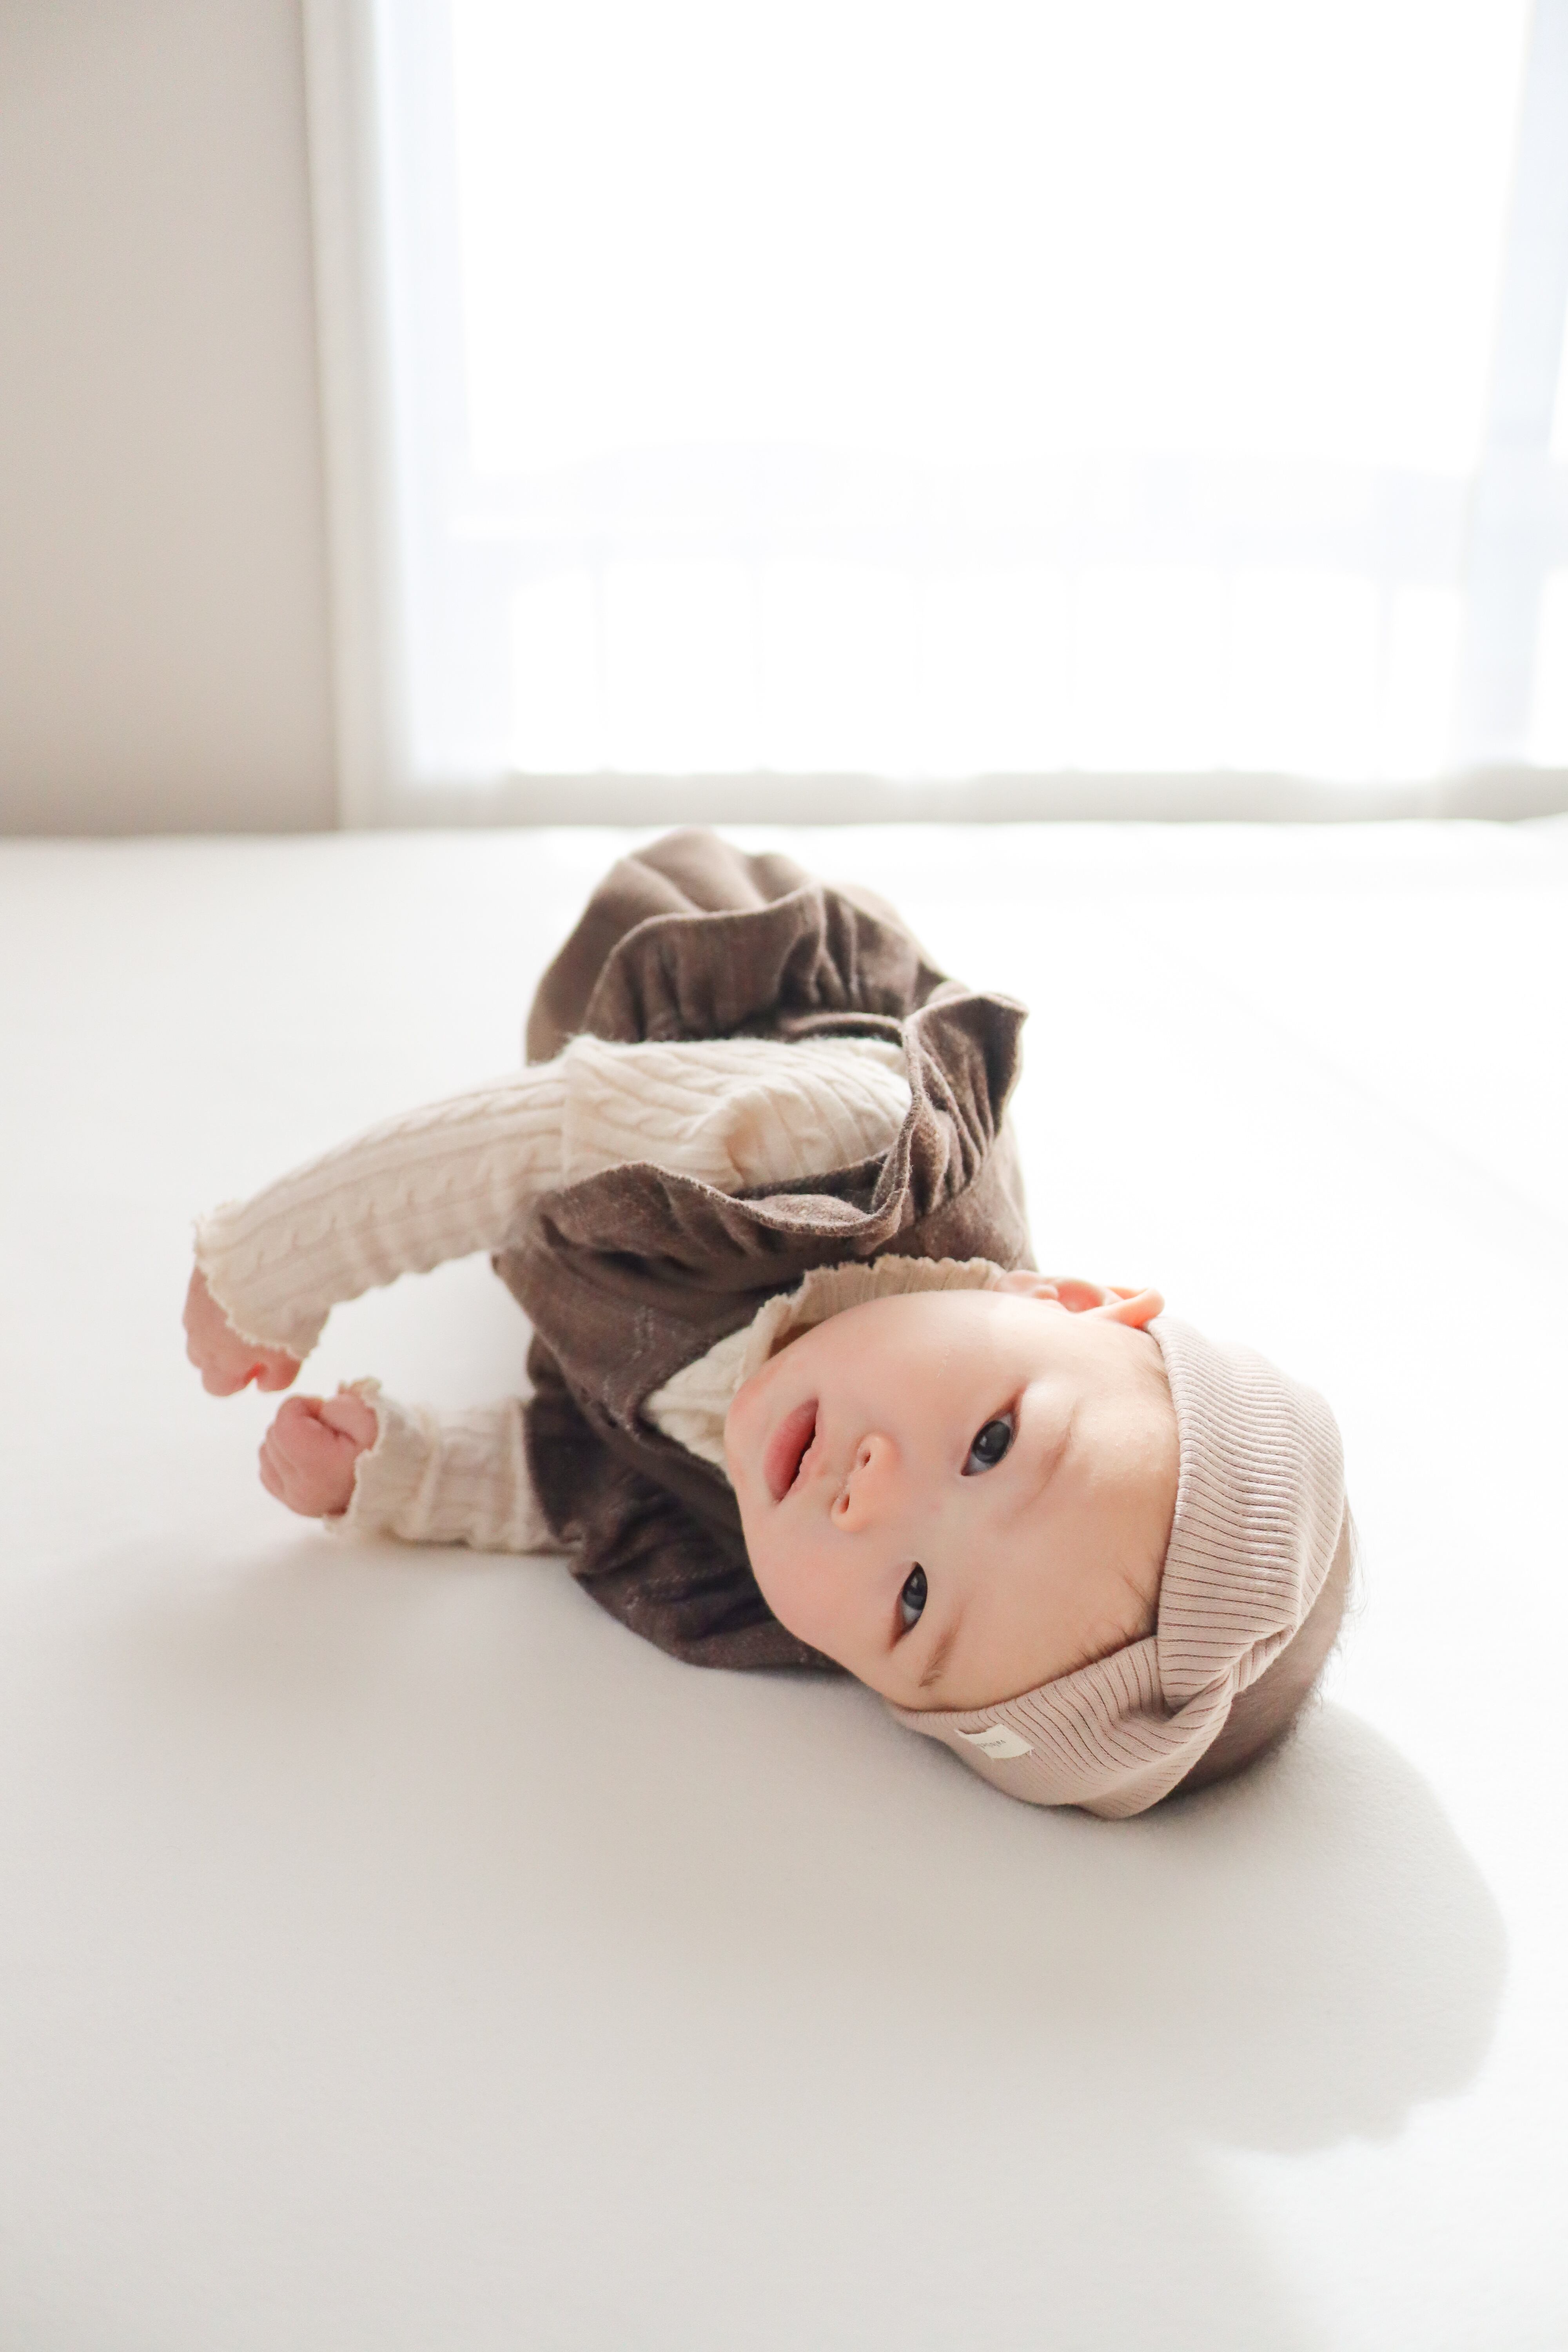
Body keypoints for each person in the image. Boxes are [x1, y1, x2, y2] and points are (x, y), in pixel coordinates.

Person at [184, 830, 1352, 1818]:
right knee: (565, 1096)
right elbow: (533, 1140)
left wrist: (403, 1475)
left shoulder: (788, 1571)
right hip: (673, 1028)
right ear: (1066, 1302)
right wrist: (267, 1269)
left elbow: (594, 1495)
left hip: (619, 1277)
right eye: (993, 1445)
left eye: (914, 1601)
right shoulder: (838, 1149)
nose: (869, 1499)